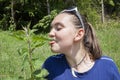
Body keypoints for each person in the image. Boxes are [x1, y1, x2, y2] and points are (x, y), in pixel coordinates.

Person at [42, 6, 120, 80]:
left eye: (58, 28)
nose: (50, 33)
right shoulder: (50, 65)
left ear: (79, 34)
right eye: (51, 28)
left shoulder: (107, 66)